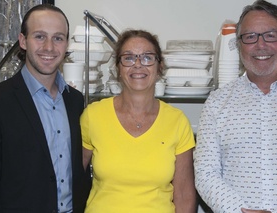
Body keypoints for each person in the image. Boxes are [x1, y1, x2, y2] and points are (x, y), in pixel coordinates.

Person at [193, 0, 277, 213]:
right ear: (239, 44)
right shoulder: (217, 102)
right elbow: (206, 173)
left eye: (270, 35)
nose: (260, 45)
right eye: (250, 37)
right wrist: (238, 210)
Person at [0, 4, 91, 212]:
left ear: (66, 43)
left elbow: (79, 173)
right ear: (23, 41)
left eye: (58, 38)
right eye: (40, 36)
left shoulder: (75, 101)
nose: (49, 47)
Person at [81, 29, 197, 213]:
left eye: (147, 57)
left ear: (159, 66)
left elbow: (184, 196)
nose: (137, 64)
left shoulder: (177, 121)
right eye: (128, 58)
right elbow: (72, 181)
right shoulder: (93, 115)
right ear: (118, 67)